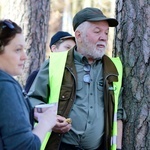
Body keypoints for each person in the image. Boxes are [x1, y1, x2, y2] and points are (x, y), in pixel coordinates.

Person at [28, 7, 126, 150]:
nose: (104, 37)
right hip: (60, 146)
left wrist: (117, 148)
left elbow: (118, 112)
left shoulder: (114, 68)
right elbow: (33, 100)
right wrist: (48, 120)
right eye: (97, 31)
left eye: (106, 32)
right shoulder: (55, 63)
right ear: (79, 35)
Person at [0, 19, 57, 149]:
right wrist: (45, 123)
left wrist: (29, 113)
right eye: (17, 50)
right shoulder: (5, 86)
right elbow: (25, 147)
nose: (24, 56)